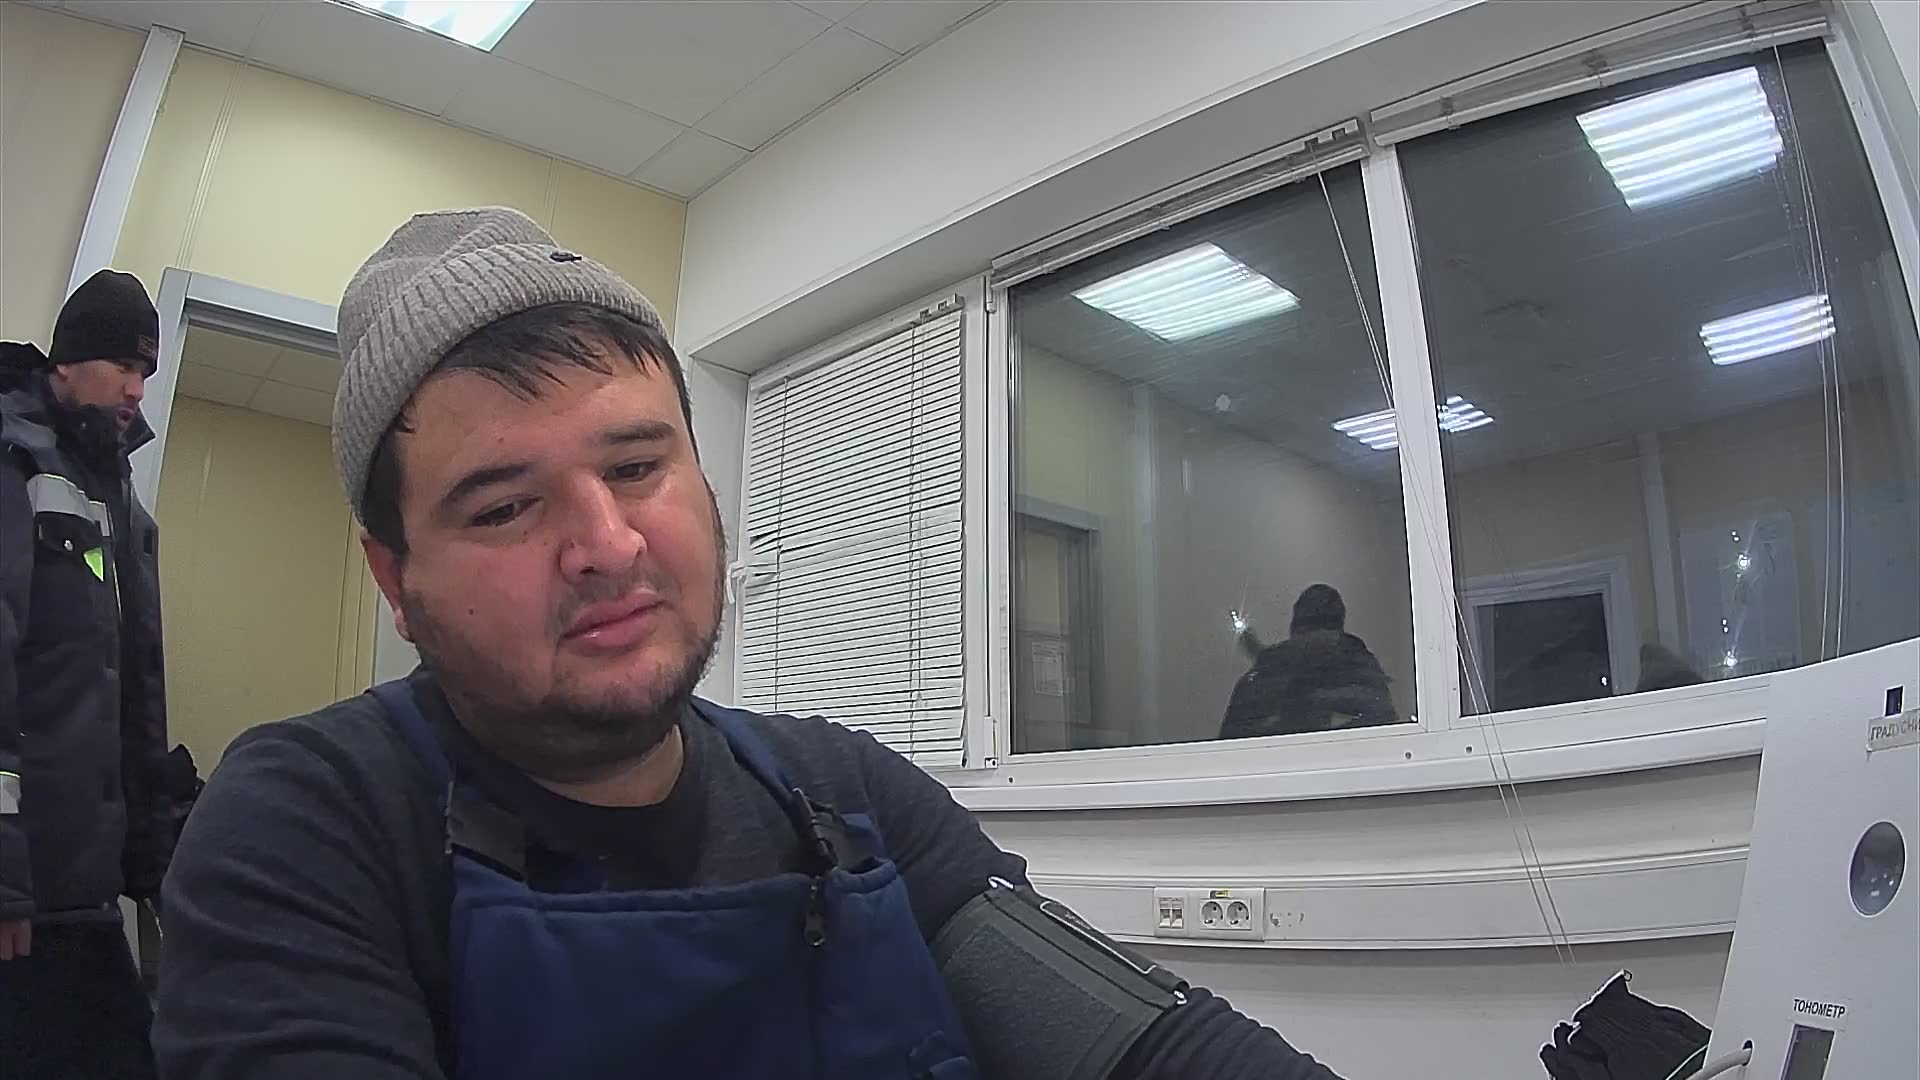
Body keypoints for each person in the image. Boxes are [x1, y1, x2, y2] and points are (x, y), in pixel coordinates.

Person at [152, 208, 1348, 1080]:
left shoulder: (848, 795)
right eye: (505, 506)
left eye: (637, 466)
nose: (608, 544)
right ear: (397, 582)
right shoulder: (310, 823)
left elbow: (1143, 1047)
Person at [1, 270, 173, 1079]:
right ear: (67, 361)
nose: (137, 388)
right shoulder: (15, 464)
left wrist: (153, 853)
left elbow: (131, 691)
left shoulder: (120, 500)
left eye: (147, 371)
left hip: (91, 887)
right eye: (124, 366)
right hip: (25, 892)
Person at [1220, 584, 1398, 739]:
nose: (1315, 647)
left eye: (1322, 639)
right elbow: (1231, 748)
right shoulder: (1264, 679)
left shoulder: (1265, 676)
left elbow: (1385, 724)